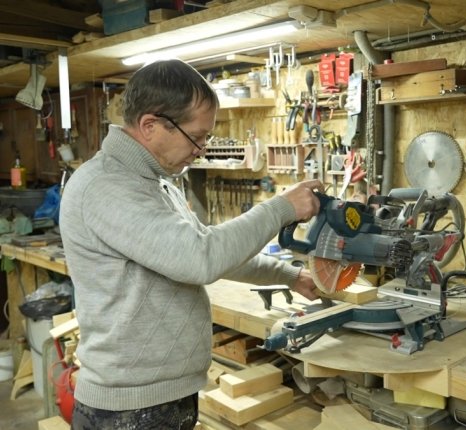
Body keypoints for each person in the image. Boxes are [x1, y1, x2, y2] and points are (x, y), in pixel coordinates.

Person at [59, 58, 323, 429]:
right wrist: (281, 208)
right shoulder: (106, 186)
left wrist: (289, 275)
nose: (201, 149)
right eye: (196, 137)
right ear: (150, 126)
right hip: (129, 409)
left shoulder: (154, 182)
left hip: (160, 398)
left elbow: (207, 249)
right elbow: (200, 258)